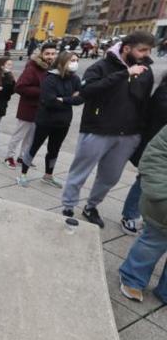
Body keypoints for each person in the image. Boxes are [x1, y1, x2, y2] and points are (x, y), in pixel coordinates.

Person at [61, 31, 155, 227]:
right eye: (142, 50)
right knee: (80, 171)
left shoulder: (146, 70)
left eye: (148, 50)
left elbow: (145, 102)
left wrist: (140, 134)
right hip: (97, 130)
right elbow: (86, 91)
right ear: (127, 48)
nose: (145, 54)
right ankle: (68, 206)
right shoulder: (101, 66)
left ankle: (91, 206)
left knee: (110, 177)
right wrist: (124, 74)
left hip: (128, 135)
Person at [17, 52, 83, 188]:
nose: (75, 63)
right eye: (72, 60)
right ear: (62, 62)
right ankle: (23, 174)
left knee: (54, 149)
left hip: (63, 122)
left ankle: (48, 175)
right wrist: (70, 98)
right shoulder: (50, 78)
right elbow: (50, 101)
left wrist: (63, 99)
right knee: (34, 146)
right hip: (45, 120)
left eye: (77, 60)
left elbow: (80, 99)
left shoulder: (75, 79)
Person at [118, 124, 167, 304]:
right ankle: (132, 278)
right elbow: (155, 156)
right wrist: (161, 195)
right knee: (151, 244)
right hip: (163, 206)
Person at [118, 74, 167, 235]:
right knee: (144, 181)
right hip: (156, 148)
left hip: (155, 144)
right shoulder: (163, 92)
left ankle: (147, 217)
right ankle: (129, 216)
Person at [4, 42, 57, 169]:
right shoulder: (32, 68)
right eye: (47, 54)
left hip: (41, 110)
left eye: (53, 54)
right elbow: (19, 87)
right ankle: (9, 156)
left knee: (31, 137)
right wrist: (42, 92)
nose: (50, 56)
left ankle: (23, 157)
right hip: (28, 108)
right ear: (41, 54)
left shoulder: (50, 69)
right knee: (19, 134)